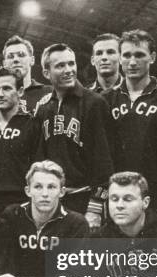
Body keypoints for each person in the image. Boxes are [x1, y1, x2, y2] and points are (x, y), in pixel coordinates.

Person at [35, 43, 114, 228]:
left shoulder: (94, 103)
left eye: (71, 64)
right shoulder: (44, 108)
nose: (69, 70)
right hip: (54, 201)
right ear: (46, 73)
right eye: (60, 65)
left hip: (85, 201)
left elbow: (105, 162)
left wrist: (95, 207)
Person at [102, 30, 157, 208]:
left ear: (153, 57)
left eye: (140, 55)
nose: (132, 62)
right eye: (126, 55)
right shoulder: (105, 99)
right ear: (119, 58)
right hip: (120, 192)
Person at [0, 66, 38, 216]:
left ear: (20, 91)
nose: (0, 94)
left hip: (21, 200)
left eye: (6, 89)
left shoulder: (32, 124)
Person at [0, 35, 52, 114]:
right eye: (10, 56)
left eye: (21, 55)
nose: (16, 59)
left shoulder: (49, 93)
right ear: (4, 64)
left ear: (32, 60)